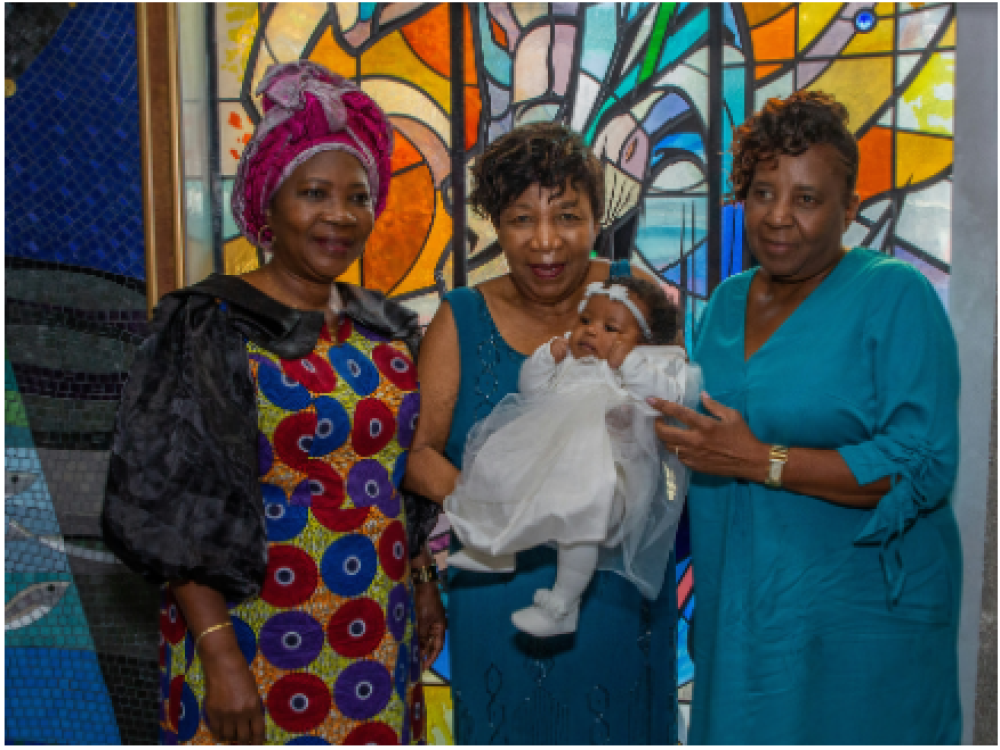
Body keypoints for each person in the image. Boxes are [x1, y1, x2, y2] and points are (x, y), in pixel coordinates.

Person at [102, 61, 445, 745]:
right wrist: (219, 653)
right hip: (253, 632)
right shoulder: (209, 324)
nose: (340, 215)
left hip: (379, 629)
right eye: (314, 193)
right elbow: (171, 505)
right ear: (267, 204)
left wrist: (423, 575)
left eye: (357, 197)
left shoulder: (386, 328)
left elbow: (400, 475)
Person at [649, 91, 962, 743]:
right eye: (763, 193)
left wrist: (762, 460)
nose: (778, 217)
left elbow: (922, 464)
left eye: (808, 198)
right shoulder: (727, 301)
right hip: (744, 616)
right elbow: (708, 442)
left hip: (857, 624)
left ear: (849, 209)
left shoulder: (893, 295)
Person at [405, 123, 679, 744]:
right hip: (497, 586)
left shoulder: (637, 301)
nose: (546, 241)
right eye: (522, 219)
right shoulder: (461, 318)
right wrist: (508, 512)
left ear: (597, 220)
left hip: (614, 592)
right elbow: (419, 455)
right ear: (495, 226)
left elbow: (679, 425)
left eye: (567, 216)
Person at [445, 276, 698, 638]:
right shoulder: (572, 362)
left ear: (644, 342)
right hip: (553, 464)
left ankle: (563, 604)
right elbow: (532, 392)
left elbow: (667, 395)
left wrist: (633, 365)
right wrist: (545, 360)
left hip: (607, 480)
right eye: (585, 320)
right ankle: (490, 548)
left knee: (579, 528)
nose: (591, 331)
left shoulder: (640, 370)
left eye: (610, 328)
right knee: (496, 467)